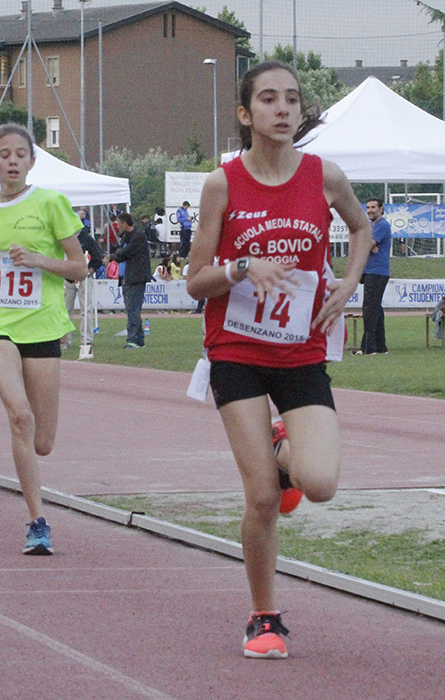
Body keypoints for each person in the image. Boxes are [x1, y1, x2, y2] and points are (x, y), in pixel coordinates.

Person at [186, 61, 373, 660]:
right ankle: (264, 617)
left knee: (320, 484)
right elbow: (195, 280)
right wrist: (242, 267)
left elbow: (362, 229)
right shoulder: (222, 184)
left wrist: (349, 282)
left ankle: (283, 449)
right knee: (263, 496)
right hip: (236, 349)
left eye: (292, 99)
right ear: (246, 114)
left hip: (302, 350)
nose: (283, 109)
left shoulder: (325, 175)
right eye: (268, 99)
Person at [0, 123, 87, 555]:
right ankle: (37, 522)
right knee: (19, 415)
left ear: (32, 161)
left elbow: (79, 267)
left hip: (42, 324)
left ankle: (28, 458)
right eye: (5, 154)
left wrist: (37, 260)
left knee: (42, 442)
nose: (12, 161)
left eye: (20, 154)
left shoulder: (51, 203)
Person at [357, 197, 391, 355]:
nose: (370, 210)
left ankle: (368, 347)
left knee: (369, 308)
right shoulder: (371, 226)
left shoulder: (382, 225)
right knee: (376, 308)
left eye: (373, 207)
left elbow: (365, 244)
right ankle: (380, 346)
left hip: (377, 271)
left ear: (381, 208)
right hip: (371, 270)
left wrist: (367, 245)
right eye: (368, 207)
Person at [113, 212, 151, 348]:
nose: (117, 226)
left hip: (136, 278)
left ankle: (133, 339)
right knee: (131, 310)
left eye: (119, 223)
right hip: (126, 278)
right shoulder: (126, 237)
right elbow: (119, 255)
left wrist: (119, 254)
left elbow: (124, 252)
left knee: (133, 310)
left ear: (124, 223)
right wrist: (119, 254)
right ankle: (139, 340)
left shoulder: (138, 236)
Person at [62, 224, 102, 349]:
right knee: (65, 309)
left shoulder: (87, 239)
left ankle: (87, 340)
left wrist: (88, 272)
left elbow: (97, 259)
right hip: (67, 278)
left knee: (86, 309)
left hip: (84, 278)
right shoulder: (64, 238)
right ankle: (64, 340)